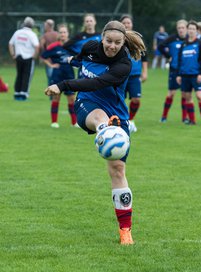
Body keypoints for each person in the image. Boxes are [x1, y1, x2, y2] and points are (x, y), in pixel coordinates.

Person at [45, 20, 146, 245]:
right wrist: (72, 60)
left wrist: (62, 85)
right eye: (108, 41)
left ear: (123, 43)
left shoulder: (123, 64)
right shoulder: (90, 47)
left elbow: (97, 83)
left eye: (117, 43)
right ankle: (104, 131)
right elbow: (82, 63)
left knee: (118, 170)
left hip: (117, 113)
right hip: (87, 105)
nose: (112, 46)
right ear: (102, 38)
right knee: (100, 117)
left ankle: (125, 231)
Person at [41, 24, 77, 128]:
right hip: (57, 75)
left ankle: (74, 123)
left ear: (68, 34)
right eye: (61, 32)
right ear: (58, 34)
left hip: (69, 74)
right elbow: (43, 56)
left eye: (64, 32)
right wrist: (51, 65)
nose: (62, 34)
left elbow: (79, 56)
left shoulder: (71, 46)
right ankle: (54, 122)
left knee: (71, 99)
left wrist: (75, 64)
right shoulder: (53, 46)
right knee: (56, 97)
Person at [176, 20, 201, 125]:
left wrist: (200, 74)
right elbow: (180, 61)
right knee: (188, 97)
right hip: (185, 75)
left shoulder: (200, 43)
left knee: (199, 96)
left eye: (193, 29)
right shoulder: (183, 44)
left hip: (196, 75)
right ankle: (192, 121)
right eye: (189, 28)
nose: (191, 31)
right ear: (187, 30)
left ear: (197, 30)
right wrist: (179, 74)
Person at [120, 14, 148, 133]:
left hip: (135, 75)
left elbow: (145, 56)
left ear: (132, 24)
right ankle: (120, 120)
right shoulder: (117, 38)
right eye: (124, 23)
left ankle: (131, 120)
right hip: (120, 75)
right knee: (120, 99)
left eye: (128, 23)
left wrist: (145, 72)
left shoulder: (137, 39)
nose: (127, 25)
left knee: (136, 99)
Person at [159, 19, 188, 123]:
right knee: (171, 93)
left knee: (185, 94)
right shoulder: (172, 38)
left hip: (186, 71)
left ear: (187, 28)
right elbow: (160, 46)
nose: (181, 30)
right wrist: (168, 56)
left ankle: (185, 118)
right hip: (174, 69)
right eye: (179, 28)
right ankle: (164, 116)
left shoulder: (190, 40)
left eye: (183, 27)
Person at [8, 16, 39, 101]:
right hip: (28, 57)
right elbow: (37, 46)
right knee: (27, 76)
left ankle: (17, 93)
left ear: (24, 24)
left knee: (19, 75)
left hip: (18, 57)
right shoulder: (32, 34)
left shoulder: (17, 32)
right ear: (32, 25)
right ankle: (23, 94)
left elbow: (10, 43)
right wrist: (34, 56)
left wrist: (13, 54)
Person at [63, 13, 101, 78]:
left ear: (95, 22)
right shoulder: (79, 36)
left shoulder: (100, 36)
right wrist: (78, 54)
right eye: (87, 21)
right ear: (84, 23)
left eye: (91, 21)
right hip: (84, 65)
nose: (89, 23)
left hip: (97, 65)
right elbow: (66, 46)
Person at [40, 19, 59, 85]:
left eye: (45, 25)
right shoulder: (57, 34)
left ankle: (51, 94)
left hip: (49, 60)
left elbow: (42, 46)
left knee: (50, 78)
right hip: (58, 59)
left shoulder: (45, 35)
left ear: (48, 26)